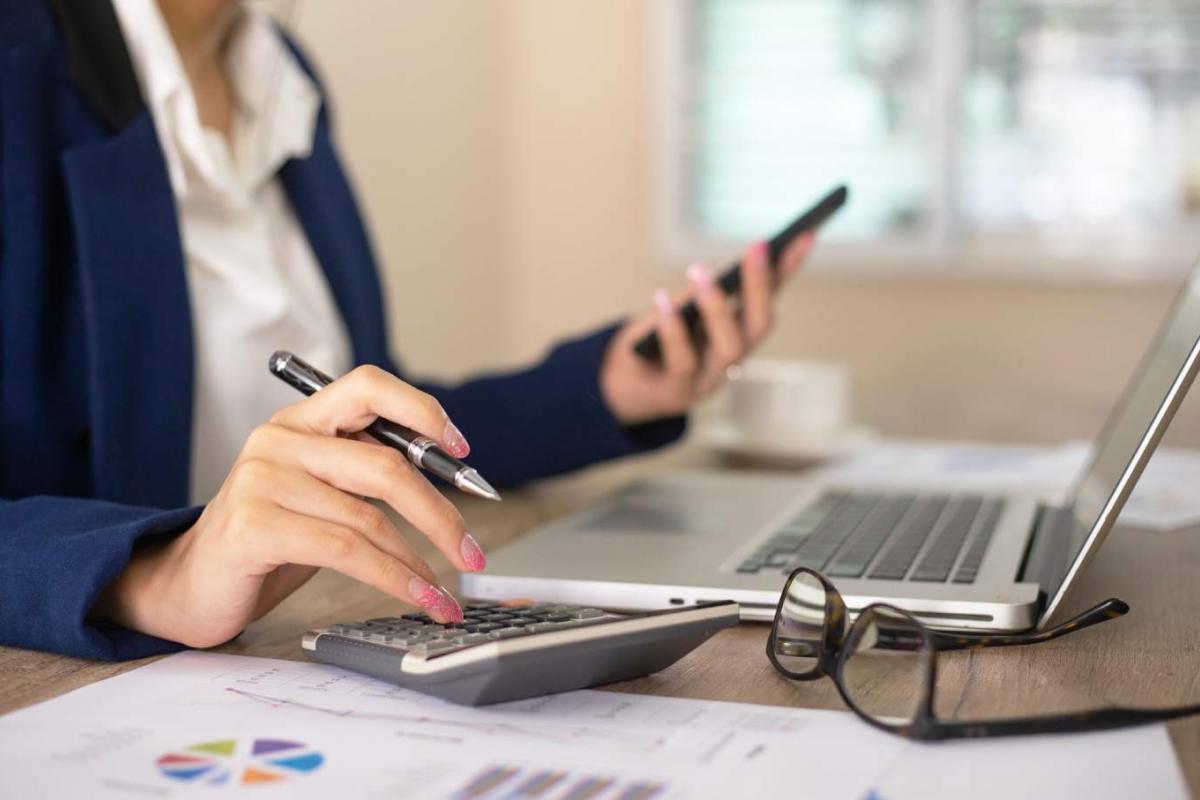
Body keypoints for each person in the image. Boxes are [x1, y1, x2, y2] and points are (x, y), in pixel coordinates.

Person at [0, 0, 814, 660]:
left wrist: (608, 387)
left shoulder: (282, 79)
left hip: (295, 643)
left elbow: (378, 423)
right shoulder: (21, 61)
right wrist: (153, 571)